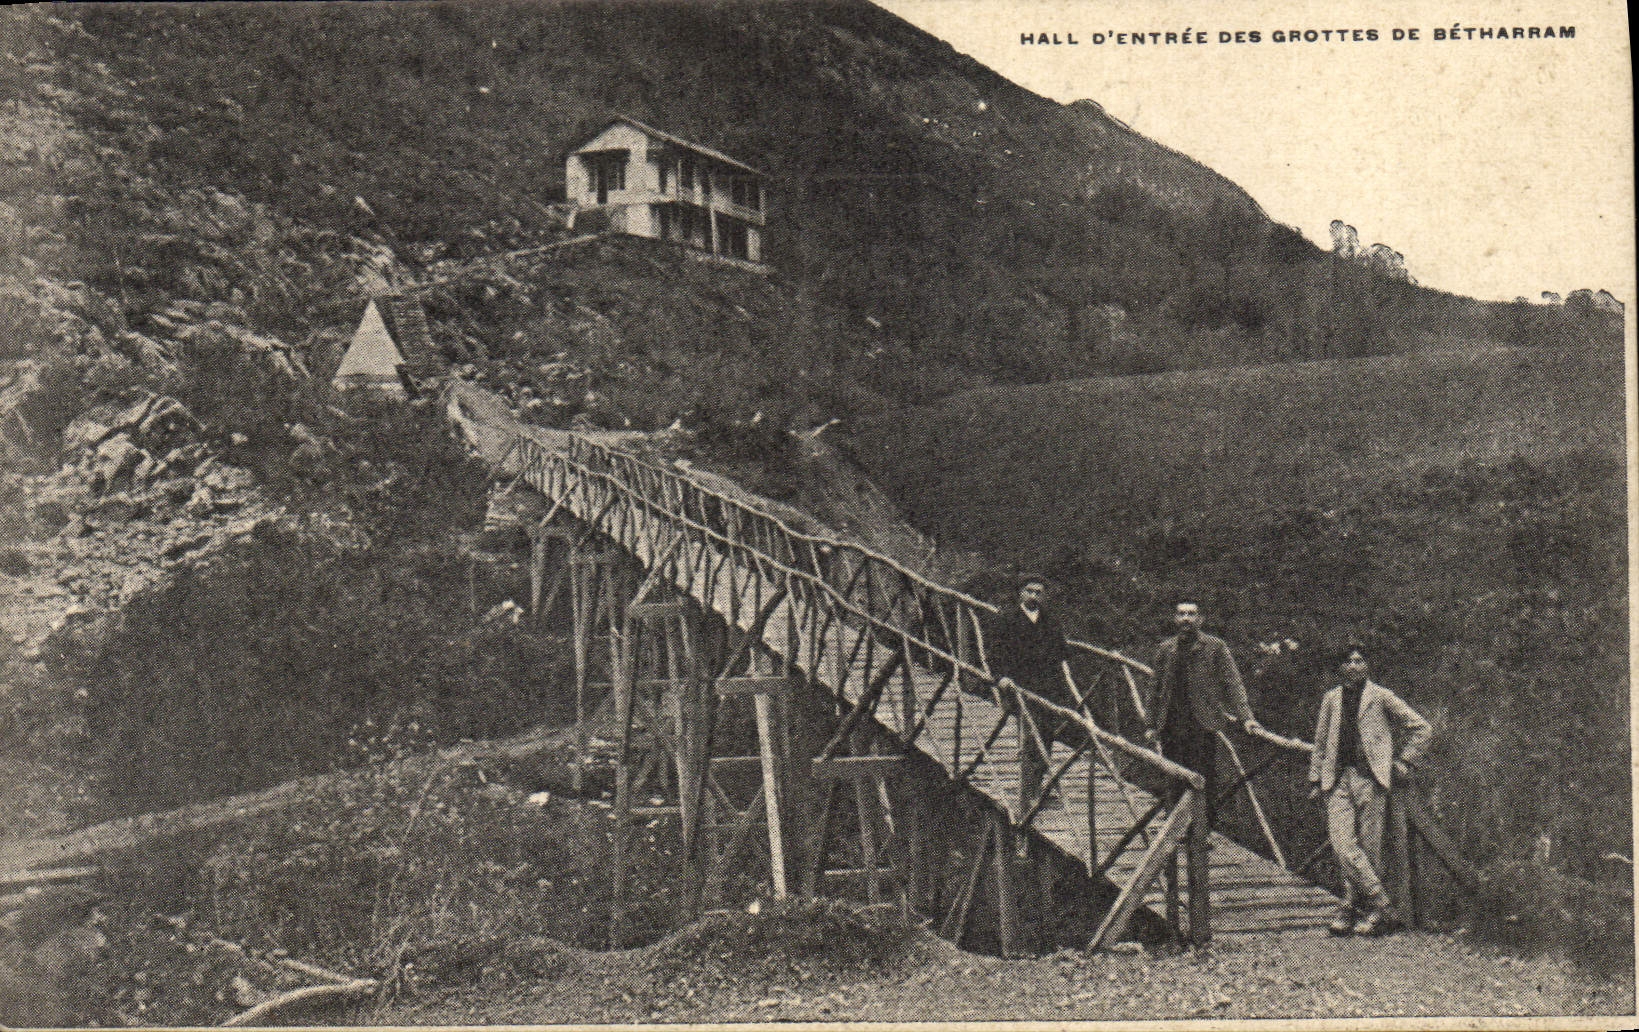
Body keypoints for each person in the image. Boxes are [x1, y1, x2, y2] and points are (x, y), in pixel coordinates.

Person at [1309, 644, 1432, 936]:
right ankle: (1382, 905)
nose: (1354, 666)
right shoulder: (1332, 699)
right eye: (1348, 661)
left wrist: (1405, 761)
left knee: (1369, 849)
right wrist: (1315, 779)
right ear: (1341, 667)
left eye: (1359, 660)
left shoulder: (1380, 696)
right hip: (1337, 780)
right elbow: (1321, 741)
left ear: (1367, 665)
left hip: (1370, 780)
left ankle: (1353, 908)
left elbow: (1422, 728)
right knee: (1342, 845)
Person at [1145, 600, 1262, 828]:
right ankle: (1176, 829)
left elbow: (1233, 683)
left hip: (1202, 724)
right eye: (1181, 614)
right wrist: (1150, 724)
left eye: (1191, 614)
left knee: (1203, 778)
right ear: (1175, 619)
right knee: (1174, 776)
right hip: (1171, 723)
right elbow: (1154, 688)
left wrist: (1246, 717)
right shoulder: (1166, 649)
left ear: (1200, 619)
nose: (1186, 619)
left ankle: (1203, 830)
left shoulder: (1215, 647)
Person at [989, 576, 1072, 810]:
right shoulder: (1007, 619)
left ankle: (1039, 783)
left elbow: (1062, 652)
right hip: (1021, 686)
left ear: (1043, 596)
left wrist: (1062, 678)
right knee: (1031, 736)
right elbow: (995, 652)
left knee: (1046, 736)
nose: (1033, 596)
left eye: (1038, 592)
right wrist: (1001, 677)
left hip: (1048, 687)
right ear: (1021, 593)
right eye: (1029, 591)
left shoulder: (1050, 621)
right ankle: (1030, 793)